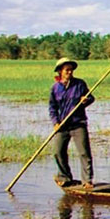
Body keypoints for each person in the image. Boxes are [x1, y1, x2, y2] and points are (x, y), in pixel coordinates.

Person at [48, 57, 95, 188]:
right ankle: (64, 176)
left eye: (71, 70)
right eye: (67, 70)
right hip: (63, 125)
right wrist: (55, 122)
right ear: (60, 72)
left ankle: (87, 180)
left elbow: (91, 97)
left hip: (78, 123)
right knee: (58, 151)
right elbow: (52, 107)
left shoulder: (80, 84)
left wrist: (86, 100)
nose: (69, 72)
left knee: (84, 152)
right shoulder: (55, 88)